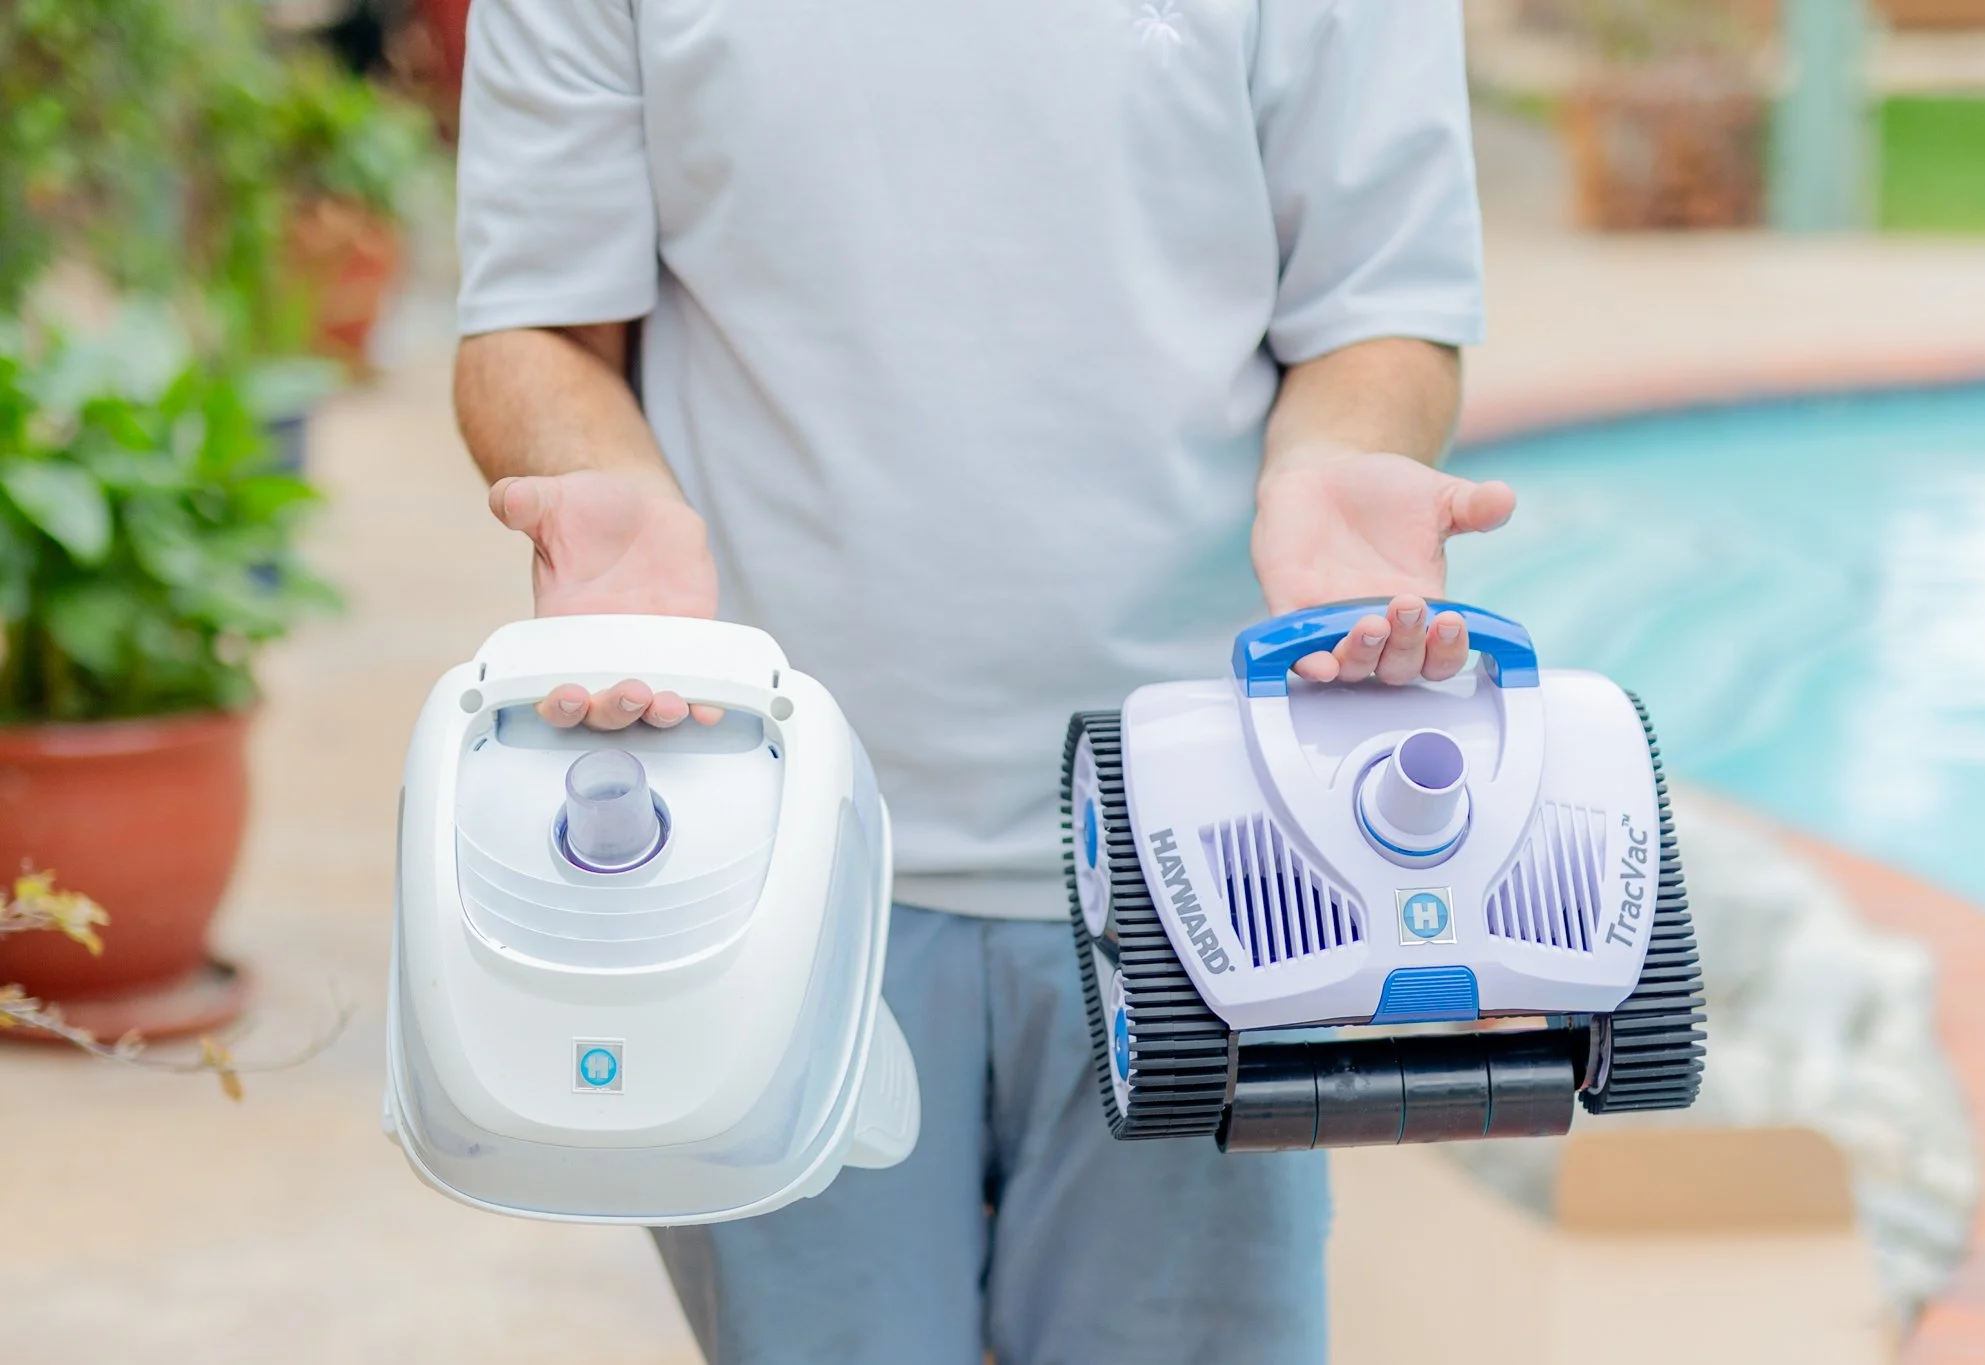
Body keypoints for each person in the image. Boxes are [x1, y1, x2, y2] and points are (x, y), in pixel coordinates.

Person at [451, 2, 1513, 1360]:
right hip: (772, 860)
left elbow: (1378, 314)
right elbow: (537, 322)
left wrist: (1335, 467)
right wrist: (606, 505)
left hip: (1210, 864)